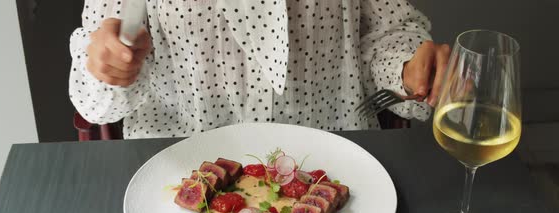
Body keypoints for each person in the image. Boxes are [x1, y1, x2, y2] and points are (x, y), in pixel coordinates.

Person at [69, 0, 450, 139]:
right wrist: (106, 65)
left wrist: (407, 68)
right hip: (182, 178)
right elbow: (95, 100)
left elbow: (388, 34)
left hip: (330, 169)